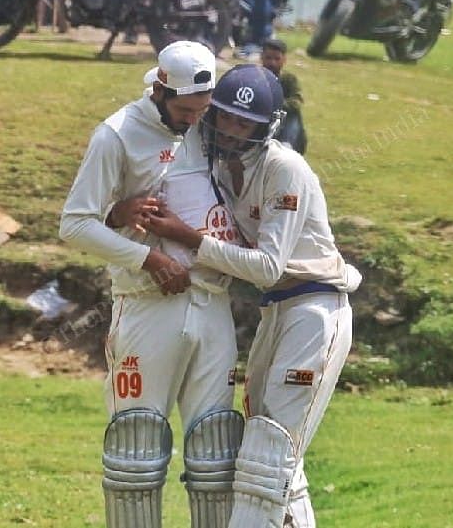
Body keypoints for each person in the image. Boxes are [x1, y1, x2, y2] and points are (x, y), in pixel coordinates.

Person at [144, 63, 361, 528]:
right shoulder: (219, 166)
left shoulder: (285, 169)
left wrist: (188, 238)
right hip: (277, 312)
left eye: (244, 124)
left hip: (316, 309)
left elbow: (267, 267)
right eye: (224, 118)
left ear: (266, 127)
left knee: (270, 452)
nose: (231, 130)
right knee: (271, 456)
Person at [59, 41, 244, 528]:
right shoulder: (116, 135)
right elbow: (75, 224)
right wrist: (149, 259)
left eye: (201, 110)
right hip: (147, 305)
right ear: (159, 89)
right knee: (136, 448)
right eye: (184, 109)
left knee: (215, 451)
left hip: (213, 300)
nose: (192, 120)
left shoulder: (207, 125)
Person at [261, 38, 306, 154]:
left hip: (282, 120)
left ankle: (287, 146)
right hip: (260, 119)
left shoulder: (288, 79)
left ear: (284, 60)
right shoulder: (255, 77)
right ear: (262, 57)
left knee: (294, 115)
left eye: (277, 59)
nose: (272, 63)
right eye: (268, 58)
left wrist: (275, 104)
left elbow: (297, 101)